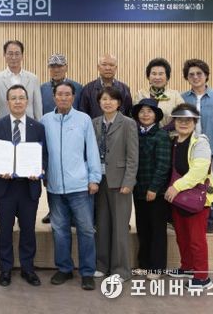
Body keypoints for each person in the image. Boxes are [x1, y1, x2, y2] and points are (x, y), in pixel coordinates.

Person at [41, 81, 101, 291]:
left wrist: (94, 178)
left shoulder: (83, 119)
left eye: (67, 94)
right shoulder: (45, 120)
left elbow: (92, 150)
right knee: (59, 230)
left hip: (80, 186)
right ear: (54, 97)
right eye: (60, 94)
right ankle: (64, 268)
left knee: (86, 230)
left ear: (73, 97)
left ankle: (87, 272)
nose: (63, 98)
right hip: (55, 187)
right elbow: (42, 151)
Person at [0, 84, 47, 287]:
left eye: (21, 98)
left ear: (27, 101)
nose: (18, 102)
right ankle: (5, 269)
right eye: (14, 98)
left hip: (29, 187)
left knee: (28, 229)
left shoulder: (38, 127)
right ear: (7, 102)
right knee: (5, 229)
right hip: (5, 187)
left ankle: (28, 269)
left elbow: (44, 155)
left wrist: (40, 169)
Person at [165, 103, 213, 289]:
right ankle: (187, 267)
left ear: (195, 122)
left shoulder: (200, 142)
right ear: (174, 122)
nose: (183, 123)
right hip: (179, 198)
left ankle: (202, 277)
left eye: (188, 120)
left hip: (197, 199)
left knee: (196, 240)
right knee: (182, 237)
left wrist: (176, 187)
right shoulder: (174, 141)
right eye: (179, 119)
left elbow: (199, 171)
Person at [181, 59, 213, 234]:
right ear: (187, 77)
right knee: (190, 182)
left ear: (206, 75)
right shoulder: (182, 98)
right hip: (189, 149)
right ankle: (191, 214)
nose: (195, 77)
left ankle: (210, 220)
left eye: (199, 73)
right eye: (191, 74)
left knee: (212, 185)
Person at [92, 87, 138, 281]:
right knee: (102, 226)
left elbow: (133, 156)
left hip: (120, 182)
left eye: (112, 99)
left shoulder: (128, 123)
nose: (108, 102)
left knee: (120, 227)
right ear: (99, 102)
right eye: (104, 99)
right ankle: (102, 265)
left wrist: (129, 181)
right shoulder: (94, 123)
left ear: (119, 103)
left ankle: (121, 270)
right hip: (99, 180)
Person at [39, 53, 82, 224]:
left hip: (72, 137)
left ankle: (72, 213)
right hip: (50, 136)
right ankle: (53, 210)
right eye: (53, 66)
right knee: (51, 174)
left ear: (66, 67)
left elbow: (81, 112)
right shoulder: (42, 89)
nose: (56, 69)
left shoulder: (77, 87)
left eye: (59, 66)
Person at [131, 98, 171, 280]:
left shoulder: (161, 135)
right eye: (142, 111)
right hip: (138, 190)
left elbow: (163, 165)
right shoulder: (135, 134)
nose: (145, 114)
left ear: (156, 115)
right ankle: (144, 264)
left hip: (157, 192)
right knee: (143, 228)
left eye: (149, 111)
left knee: (157, 230)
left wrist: (154, 188)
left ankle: (157, 267)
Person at [0, 40, 42, 122]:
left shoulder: (33, 79)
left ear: (22, 56)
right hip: (4, 126)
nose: (13, 57)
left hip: (28, 126)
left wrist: (38, 127)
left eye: (17, 54)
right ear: (4, 55)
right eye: (10, 54)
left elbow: (38, 109)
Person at [79, 54, 133, 119]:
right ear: (98, 67)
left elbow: (128, 113)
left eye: (111, 65)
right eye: (104, 65)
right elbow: (83, 114)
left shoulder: (124, 89)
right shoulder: (88, 89)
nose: (108, 68)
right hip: (94, 125)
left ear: (116, 68)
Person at [134, 57, 183, 127]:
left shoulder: (175, 95)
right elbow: (134, 116)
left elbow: (181, 116)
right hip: (143, 133)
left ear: (167, 77)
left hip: (169, 133)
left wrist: (165, 130)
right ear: (148, 77)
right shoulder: (140, 94)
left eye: (161, 74)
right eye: (154, 74)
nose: (157, 77)